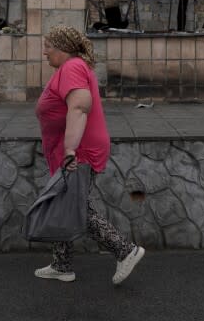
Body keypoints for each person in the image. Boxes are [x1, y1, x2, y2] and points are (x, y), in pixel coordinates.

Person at [33, 25, 145, 284]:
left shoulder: (72, 67)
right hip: (73, 150)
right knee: (64, 203)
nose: (44, 53)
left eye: (48, 46)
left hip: (78, 152)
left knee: (74, 207)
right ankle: (62, 265)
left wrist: (70, 149)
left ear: (62, 48)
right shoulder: (72, 67)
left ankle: (125, 251)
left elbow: (80, 107)